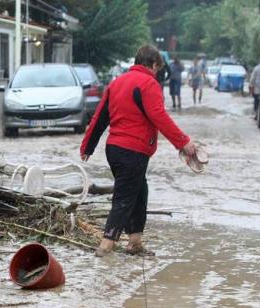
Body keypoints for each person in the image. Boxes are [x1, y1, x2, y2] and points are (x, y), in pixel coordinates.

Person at [80, 44, 197, 257]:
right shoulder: (148, 84)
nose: (157, 73)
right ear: (152, 64)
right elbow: (159, 117)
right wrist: (184, 143)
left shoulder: (116, 83)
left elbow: (100, 117)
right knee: (124, 197)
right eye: (157, 69)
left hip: (114, 149)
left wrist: (87, 146)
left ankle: (134, 242)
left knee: (139, 192)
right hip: (133, 150)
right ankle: (105, 247)